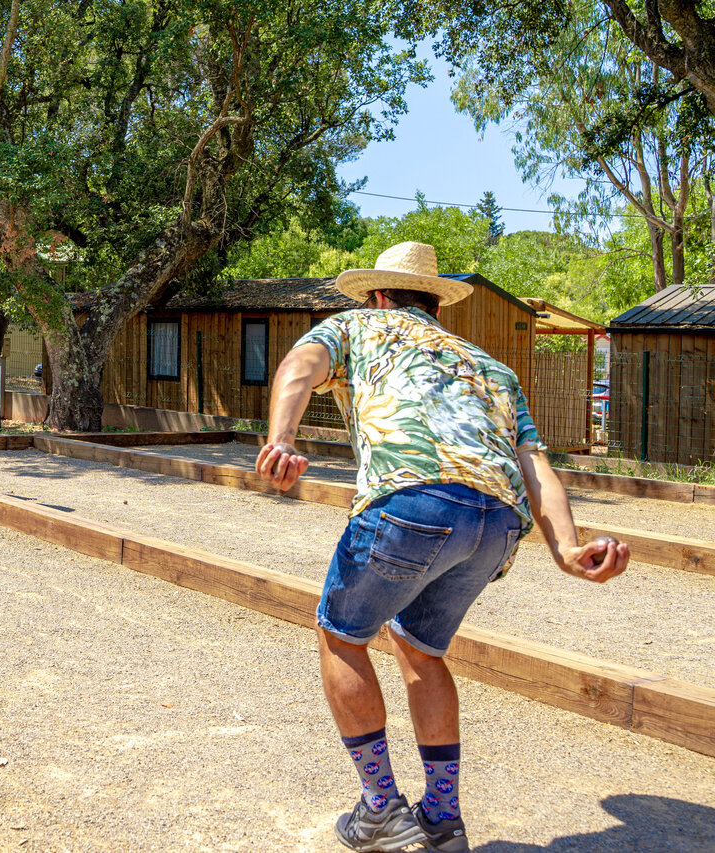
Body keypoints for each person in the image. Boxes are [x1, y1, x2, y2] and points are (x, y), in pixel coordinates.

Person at [254, 242, 629, 853]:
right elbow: (535, 464)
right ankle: (442, 818)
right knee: (420, 649)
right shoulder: (489, 365)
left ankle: (379, 807)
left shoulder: (357, 325)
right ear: (435, 304)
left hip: (414, 500)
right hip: (497, 523)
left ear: (378, 295)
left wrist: (281, 439)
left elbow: (299, 367)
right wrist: (567, 548)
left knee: (342, 633)